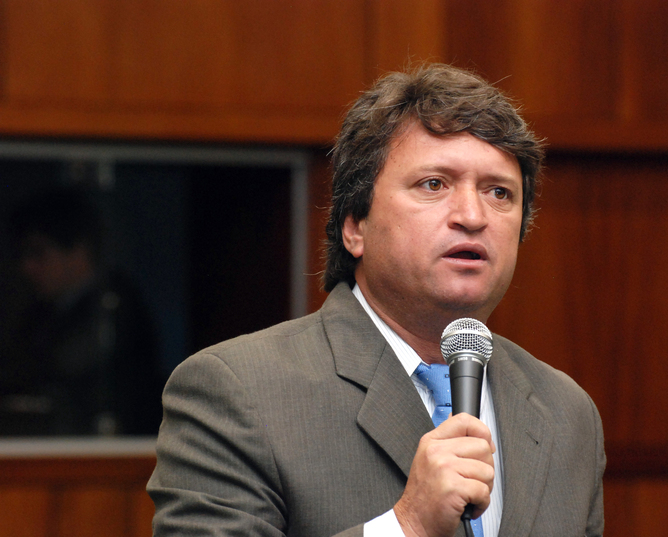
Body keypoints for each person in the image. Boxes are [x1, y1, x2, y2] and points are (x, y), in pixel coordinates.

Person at [148, 63, 605, 536]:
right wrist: (407, 525)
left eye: (499, 192)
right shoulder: (238, 392)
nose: (473, 215)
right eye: (434, 184)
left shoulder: (566, 412)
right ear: (355, 226)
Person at [1, 186, 163, 435]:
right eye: (23, 255)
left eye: (39, 252)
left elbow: (59, 374)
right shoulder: (39, 315)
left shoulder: (112, 307)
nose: (27, 267)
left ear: (79, 251)